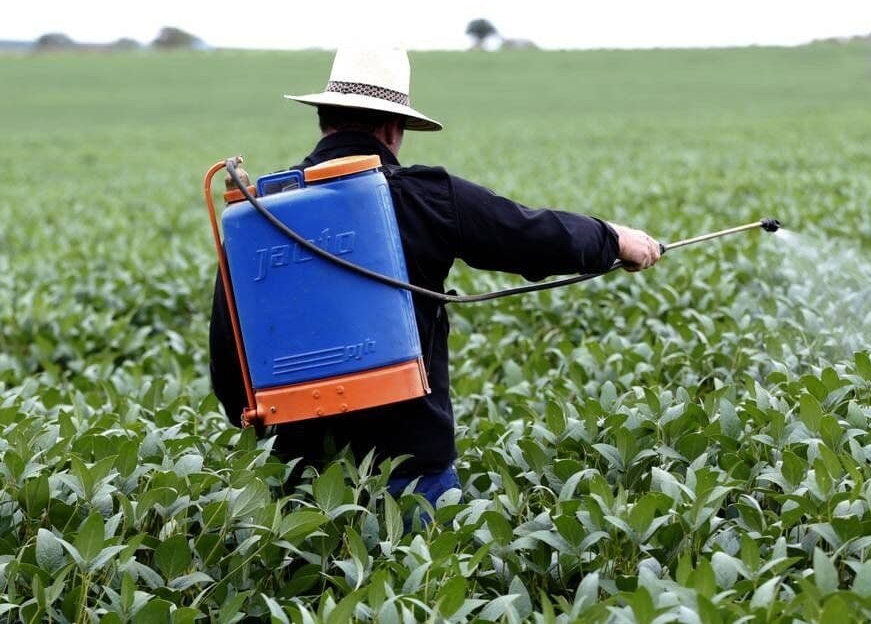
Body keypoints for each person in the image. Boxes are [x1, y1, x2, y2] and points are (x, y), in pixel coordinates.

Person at [209, 48, 660, 507]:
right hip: (412, 473)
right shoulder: (427, 197)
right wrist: (613, 239)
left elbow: (230, 369)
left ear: (324, 119)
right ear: (392, 127)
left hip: (301, 482)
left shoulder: (257, 217)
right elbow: (530, 233)